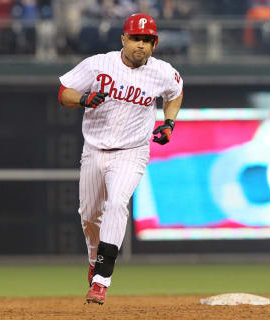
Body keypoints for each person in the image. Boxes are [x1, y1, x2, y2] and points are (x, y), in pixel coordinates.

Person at [58, 13, 183, 305]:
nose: (141, 45)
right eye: (136, 38)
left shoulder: (162, 71)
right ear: (124, 39)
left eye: (147, 40)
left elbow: (175, 93)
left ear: (155, 43)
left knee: (117, 204)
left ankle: (102, 279)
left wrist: (169, 122)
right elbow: (64, 92)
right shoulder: (99, 64)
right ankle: (94, 260)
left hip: (132, 151)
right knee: (88, 216)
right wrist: (83, 99)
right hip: (94, 150)